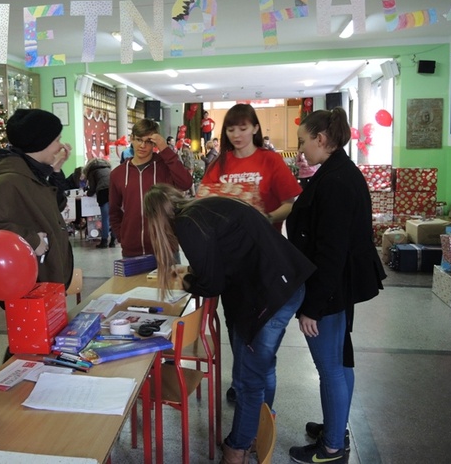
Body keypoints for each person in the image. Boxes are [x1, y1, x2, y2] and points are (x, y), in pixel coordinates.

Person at [143, 184, 316, 464]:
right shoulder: (204, 208)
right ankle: (258, 432)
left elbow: (211, 284)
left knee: (249, 381)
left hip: (271, 294)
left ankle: (238, 449)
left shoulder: (187, 222)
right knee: (260, 369)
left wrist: (186, 279)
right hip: (281, 286)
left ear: (156, 219)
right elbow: (223, 261)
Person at [286, 108, 386, 464]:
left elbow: (331, 253)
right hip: (338, 287)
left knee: (330, 367)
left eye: (303, 142)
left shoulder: (336, 182)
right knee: (341, 362)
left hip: (330, 290)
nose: (301, 149)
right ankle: (335, 426)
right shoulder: (336, 172)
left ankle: (331, 448)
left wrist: (312, 306)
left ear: (321, 140)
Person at [197, 103, 302, 404]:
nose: (238, 134)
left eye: (243, 127)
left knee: (260, 338)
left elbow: (291, 201)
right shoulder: (221, 164)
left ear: (255, 127)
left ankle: (260, 404)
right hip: (231, 262)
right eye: (231, 128)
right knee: (236, 327)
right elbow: (204, 201)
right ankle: (242, 382)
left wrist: (265, 218)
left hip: (264, 262)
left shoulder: (270, 161)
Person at [0, 108, 74, 290]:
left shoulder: (34, 173)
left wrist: (56, 170)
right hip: (28, 284)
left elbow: (56, 205)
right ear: (39, 143)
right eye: (56, 140)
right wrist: (31, 240)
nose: (60, 146)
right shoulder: (9, 180)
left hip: (47, 280)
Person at [109, 119, 192, 258]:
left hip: (165, 249)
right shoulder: (118, 174)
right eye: (138, 140)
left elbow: (186, 183)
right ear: (131, 139)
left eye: (148, 141)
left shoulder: (165, 168)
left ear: (154, 143)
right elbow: (114, 211)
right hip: (132, 251)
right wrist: (123, 237)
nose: (142, 145)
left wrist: (165, 149)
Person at [83, 157, 116, 248]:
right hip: (114, 191)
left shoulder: (92, 171)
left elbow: (92, 187)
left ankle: (104, 241)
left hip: (103, 192)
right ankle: (113, 240)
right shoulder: (108, 168)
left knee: (105, 218)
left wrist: (88, 193)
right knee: (113, 216)